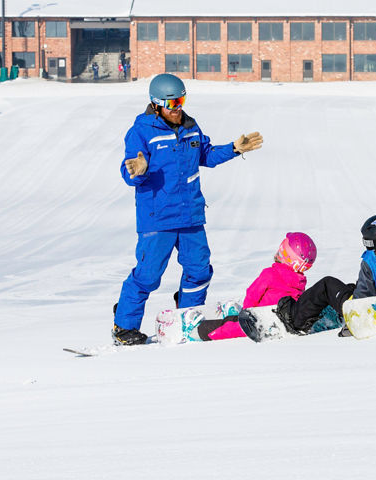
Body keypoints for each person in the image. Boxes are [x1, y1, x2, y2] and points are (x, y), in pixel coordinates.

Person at [112, 73, 264, 345]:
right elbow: (129, 172)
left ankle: (187, 315)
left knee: (199, 270)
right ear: (156, 104)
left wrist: (233, 148)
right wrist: (136, 171)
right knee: (147, 276)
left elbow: (205, 154)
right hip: (157, 218)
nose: (178, 107)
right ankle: (124, 327)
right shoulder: (140, 132)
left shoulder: (191, 127)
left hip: (191, 215)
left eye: (181, 100)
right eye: (172, 103)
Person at [273, 215, 376, 336]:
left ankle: (295, 319)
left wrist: (353, 323)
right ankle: (328, 311)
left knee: (327, 285)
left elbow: (363, 297)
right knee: (349, 287)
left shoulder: (371, 262)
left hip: (369, 310)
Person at [195, 233, 317, 340]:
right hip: (275, 321)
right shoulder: (300, 282)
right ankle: (232, 315)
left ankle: (197, 331)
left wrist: (246, 314)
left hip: (258, 321)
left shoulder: (271, 273)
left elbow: (253, 293)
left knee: (226, 330)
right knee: (232, 322)